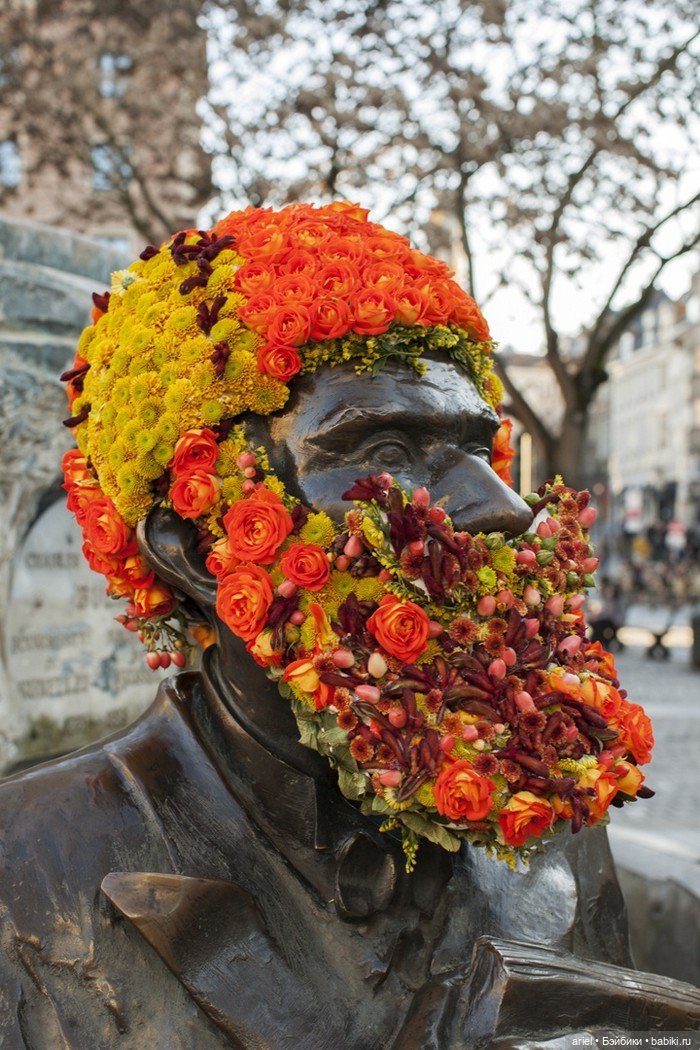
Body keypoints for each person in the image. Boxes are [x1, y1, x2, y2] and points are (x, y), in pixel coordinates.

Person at [0, 203, 696, 1048]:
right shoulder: (26, 869)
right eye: (389, 454)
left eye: (483, 450)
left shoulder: (550, 829)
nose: (505, 510)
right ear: (193, 545)